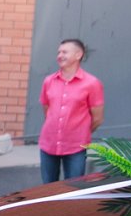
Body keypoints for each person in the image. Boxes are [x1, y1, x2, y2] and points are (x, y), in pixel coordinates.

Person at [39, 38, 104, 184]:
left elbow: (98, 118)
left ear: (78, 55)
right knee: (47, 189)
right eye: (58, 52)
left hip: (76, 147)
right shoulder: (48, 81)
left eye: (64, 52)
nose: (60, 55)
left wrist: (79, 131)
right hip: (48, 144)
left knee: (73, 188)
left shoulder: (92, 83)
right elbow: (47, 110)